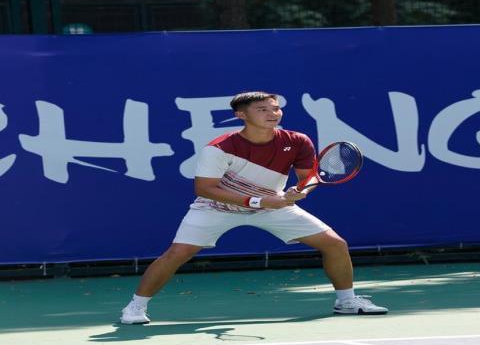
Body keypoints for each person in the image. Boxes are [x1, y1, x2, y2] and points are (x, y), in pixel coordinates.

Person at [120, 91, 387, 324]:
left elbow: (307, 178)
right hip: (216, 207)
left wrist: (299, 192)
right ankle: (136, 306)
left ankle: (346, 301)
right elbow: (204, 188)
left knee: (335, 244)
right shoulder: (220, 148)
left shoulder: (297, 141)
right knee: (177, 253)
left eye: (276, 108)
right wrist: (258, 201)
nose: (273, 113)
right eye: (263, 110)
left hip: (273, 205)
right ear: (241, 115)